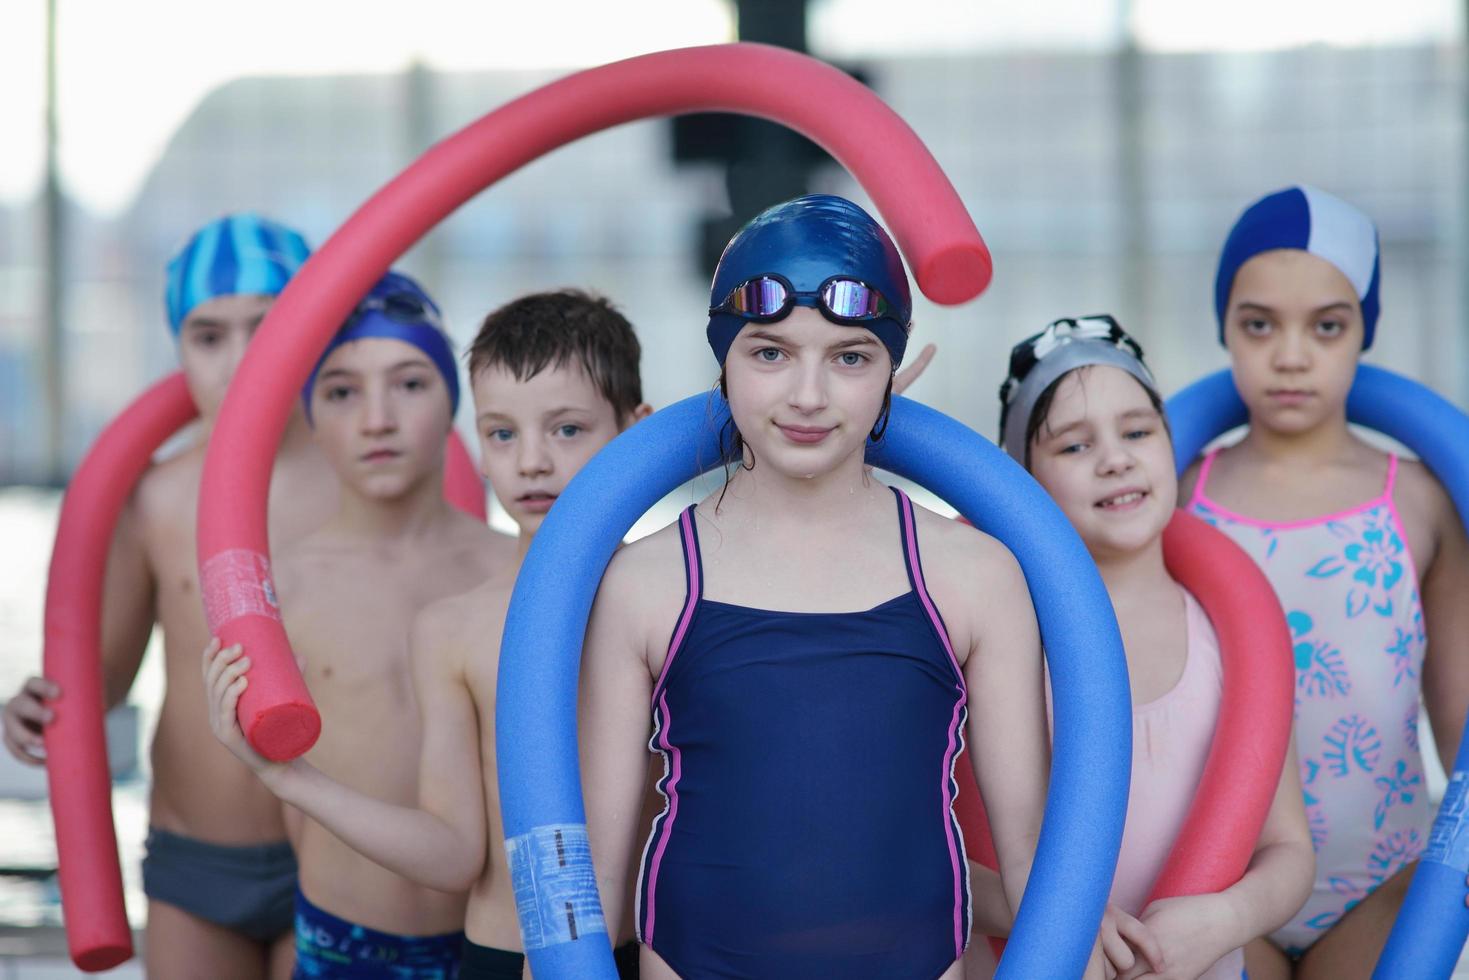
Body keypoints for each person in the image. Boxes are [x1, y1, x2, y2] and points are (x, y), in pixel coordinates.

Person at [579, 194, 1049, 979]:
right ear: (722, 363)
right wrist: (546, 962)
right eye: (769, 353)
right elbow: (592, 862)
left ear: (892, 369)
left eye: (849, 357)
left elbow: (1031, 851)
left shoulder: (974, 576)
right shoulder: (644, 581)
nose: (807, 394)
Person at [206, 289, 650, 979]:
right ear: (476, 446)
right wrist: (287, 778)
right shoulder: (452, 628)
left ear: (635, 431)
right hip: (499, 958)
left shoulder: (680, 598)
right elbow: (452, 853)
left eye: (566, 430)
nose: (531, 461)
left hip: (653, 956)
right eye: (503, 434)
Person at [3, 214, 333, 979]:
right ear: (177, 349)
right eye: (209, 336)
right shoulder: (151, 499)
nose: (242, 357)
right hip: (197, 853)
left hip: (343, 847)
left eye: (267, 326)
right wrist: (38, 704)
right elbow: (104, 679)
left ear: (317, 331)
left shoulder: (367, 480)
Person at [1181, 186, 1469, 979]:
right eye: (1259, 323)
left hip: (1384, 885)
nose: (1290, 355)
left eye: (1326, 325)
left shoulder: (1418, 499)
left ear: (1362, 332)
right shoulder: (1174, 498)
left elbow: (1460, 726)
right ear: (1225, 329)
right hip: (1222, 882)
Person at [204, 270, 518, 978]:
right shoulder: (278, 590)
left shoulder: (518, 573)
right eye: (343, 392)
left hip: (495, 943)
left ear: (453, 405)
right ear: (308, 417)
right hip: (340, 942)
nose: (377, 418)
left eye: (409, 383)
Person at [997, 314, 1314, 979]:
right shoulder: (1000, 632)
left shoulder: (1235, 631)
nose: (1115, 459)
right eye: (1073, 447)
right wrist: (1056, 915)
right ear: (1019, 483)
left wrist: (1224, 920)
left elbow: (1288, 850)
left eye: (1137, 432)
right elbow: (946, 852)